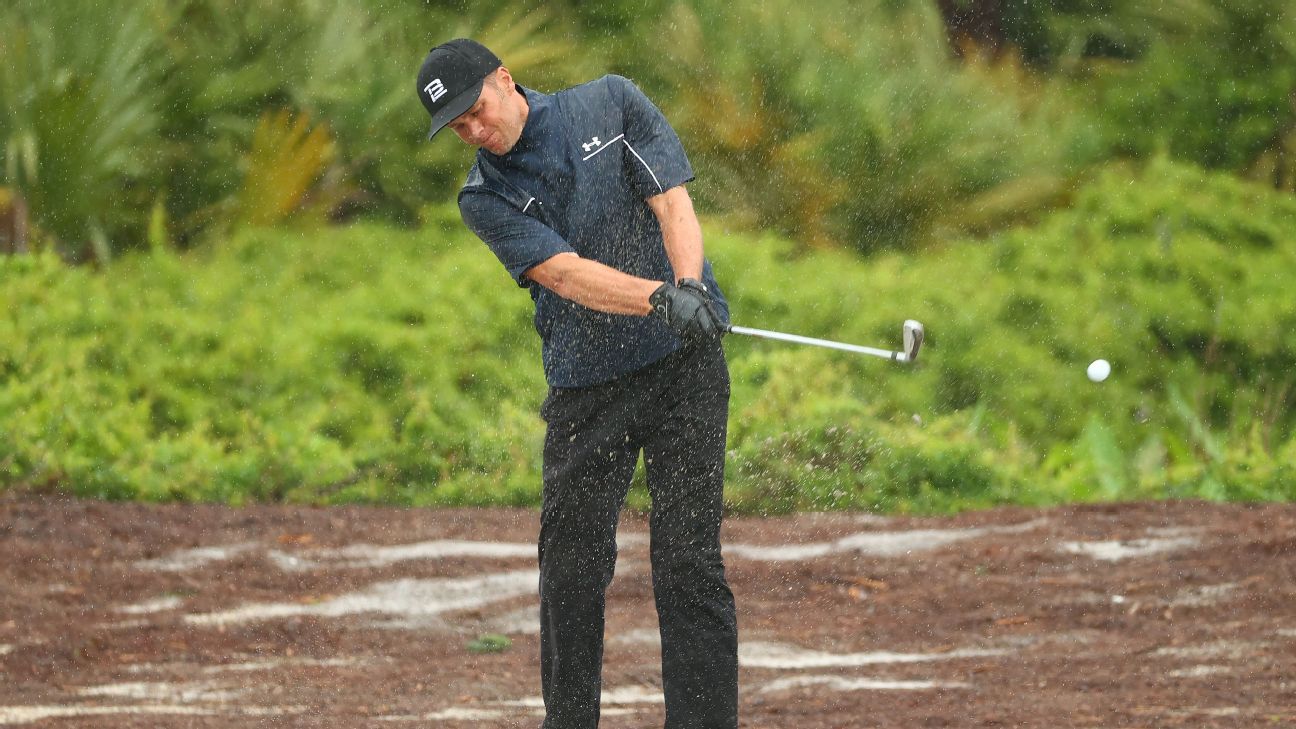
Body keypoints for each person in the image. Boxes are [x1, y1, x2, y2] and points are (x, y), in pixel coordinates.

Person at [415, 39, 738, 729]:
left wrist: (687, 286)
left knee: (687, 563)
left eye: (476, 110)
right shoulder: (485, 197)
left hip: (686, 370)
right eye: (459, 128)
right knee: (569, 571)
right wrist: (658, 295)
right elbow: (563, 273)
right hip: (588, 387)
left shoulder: (610, 102)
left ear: (505, 79)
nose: (475, 130)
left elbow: (672, 202)